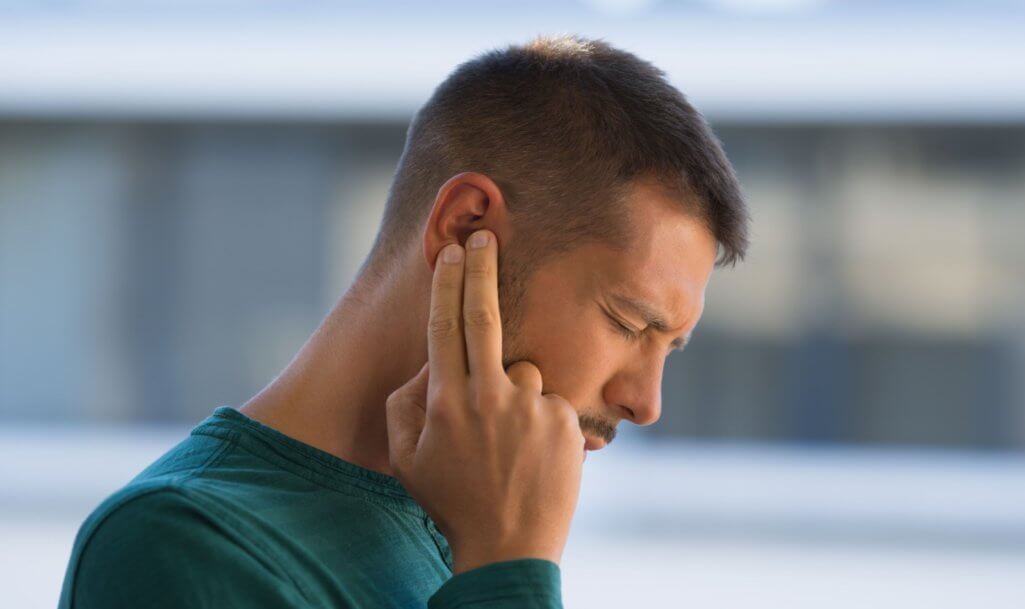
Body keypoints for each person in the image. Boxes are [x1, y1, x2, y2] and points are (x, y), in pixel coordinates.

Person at [58, 33, 749, 608]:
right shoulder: (178, 543)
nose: (646, 401)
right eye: (628, 323)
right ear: (464, 226)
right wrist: (506, 569)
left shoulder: (469, 512)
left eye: (670, 348)